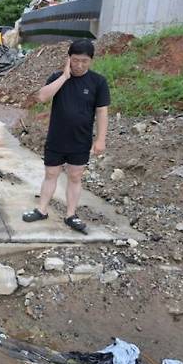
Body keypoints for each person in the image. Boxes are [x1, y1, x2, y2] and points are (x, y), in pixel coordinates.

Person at [22, 39, 110, 233]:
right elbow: (42, 97)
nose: (79, 65)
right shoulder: (57, 77)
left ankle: (70, 214)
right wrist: (64, 76)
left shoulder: (98, 82)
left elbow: (102, 112)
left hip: (81, 139)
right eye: (75, 60)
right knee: (51, 174)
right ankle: (41, 209)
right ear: (68, 59)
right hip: (56, 137)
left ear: (91, 60)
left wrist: (101, 139)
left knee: (75, 176)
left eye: (84, 61)